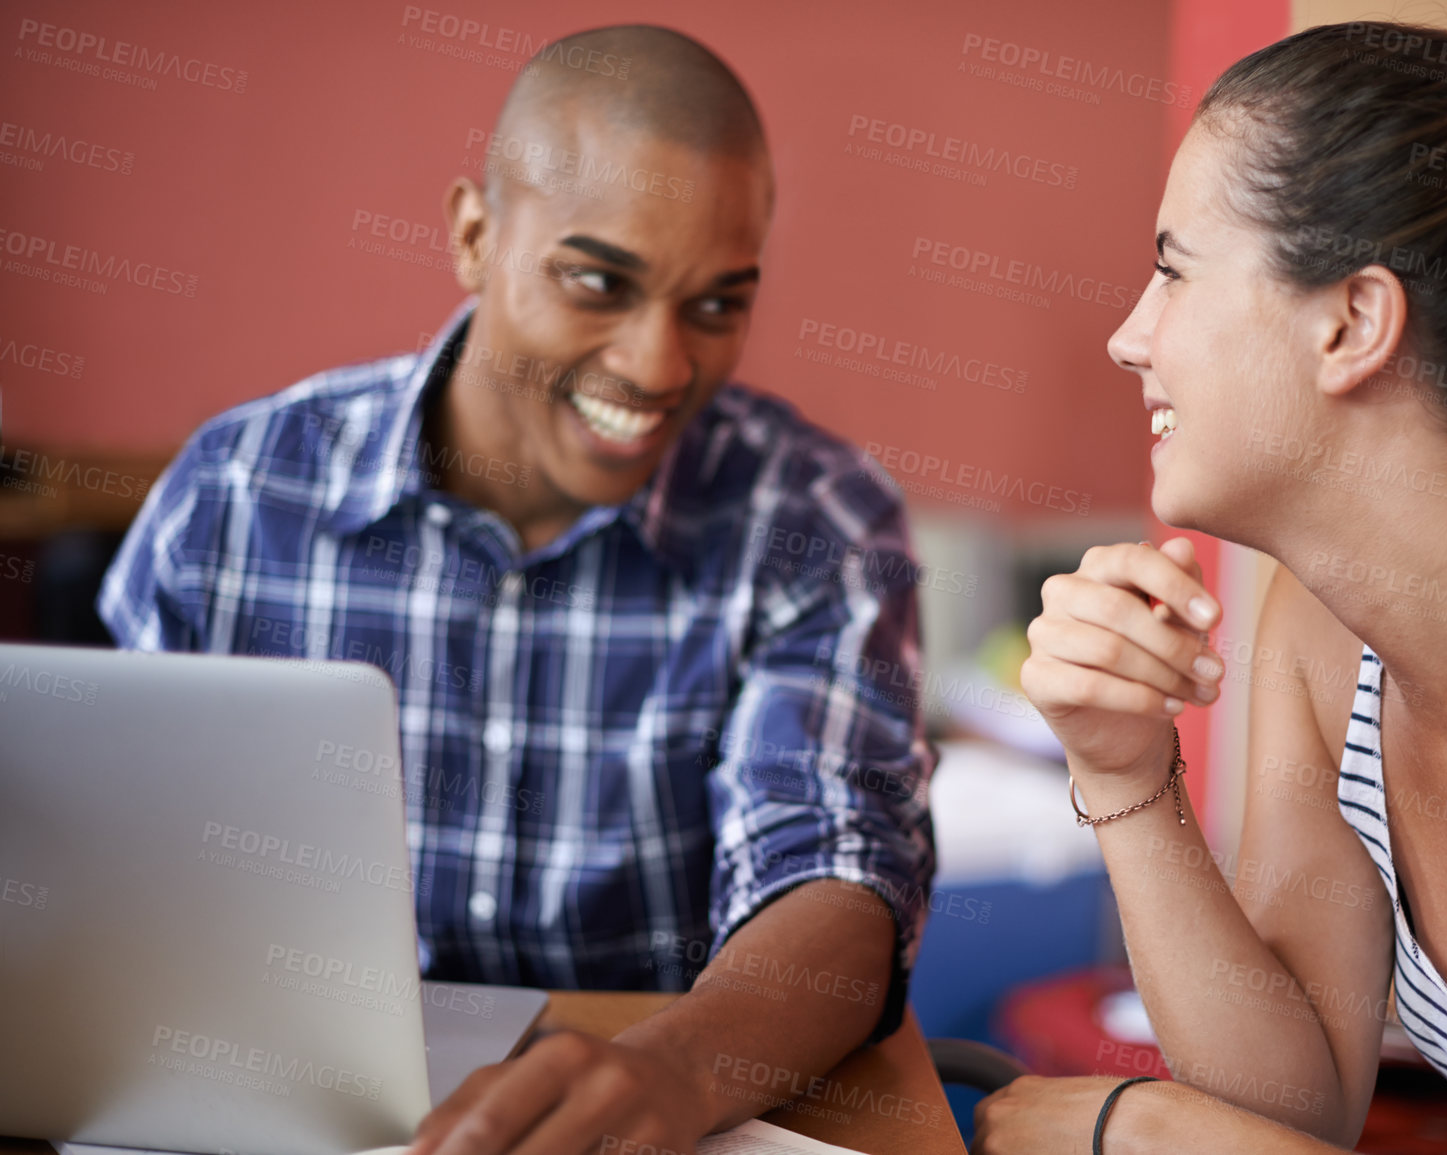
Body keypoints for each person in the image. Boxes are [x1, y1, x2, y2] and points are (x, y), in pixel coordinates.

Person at [99, 24, 937, 1155]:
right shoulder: (238, 495)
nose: (656, 367)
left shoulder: (816, 522)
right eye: (598, 282)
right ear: (473, 234)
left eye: (716, 304)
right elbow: (112, 874)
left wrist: (675, 1074)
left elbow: (836, 866)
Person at [979, 2, 1447, 1152]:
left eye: (1175, 272)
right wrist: (1121, 767)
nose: (1131, 337)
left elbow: (1235, 1140)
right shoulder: (1325, 638)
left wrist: (1144, 1136)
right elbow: (1291, 1099)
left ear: (1353, 322)